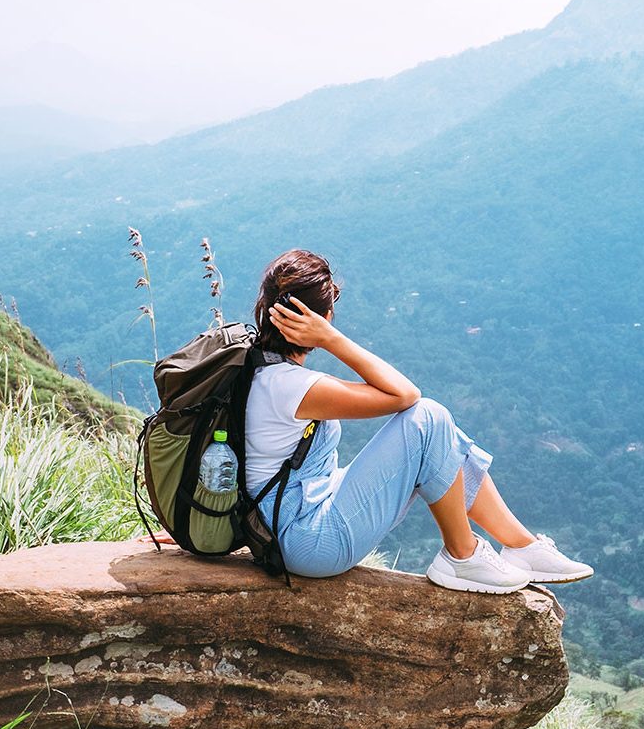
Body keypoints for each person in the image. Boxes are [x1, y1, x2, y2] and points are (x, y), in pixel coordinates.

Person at [244, 248, 593, 594]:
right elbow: (405, 395)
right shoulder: (288, 386)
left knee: (442, 436)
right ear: (321, 318)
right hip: (308, 541)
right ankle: (461, 555)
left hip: (297, 514)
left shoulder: (261, 368)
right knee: (428, 418)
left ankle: (522, 547)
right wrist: (332, 340)